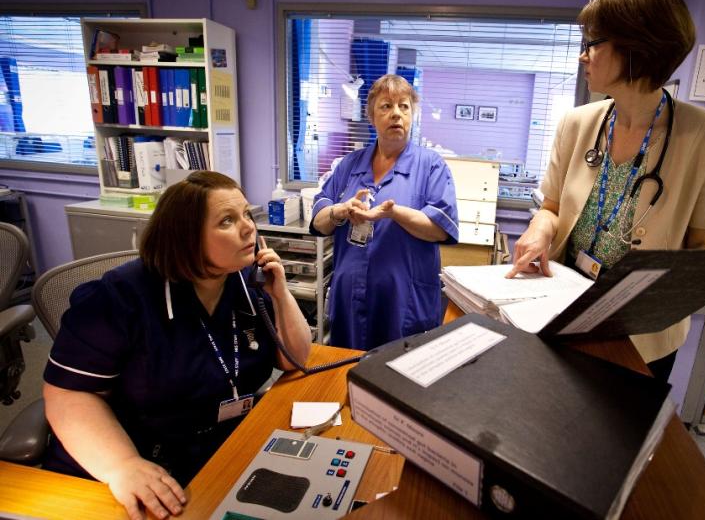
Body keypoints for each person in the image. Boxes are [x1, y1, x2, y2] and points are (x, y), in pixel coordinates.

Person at [42, 171, 311, 520]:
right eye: (227, 221)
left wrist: (281, 294)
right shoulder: (118, 298)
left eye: (246, 214)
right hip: (137, 463)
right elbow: (68, 393)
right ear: (186, 237)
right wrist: (122, 465)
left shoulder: (245, 281)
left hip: (215, 449)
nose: (249, 228)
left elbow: (295, 359)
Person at [507, 0, 705, 381]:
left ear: (636, 47)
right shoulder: (576, 123)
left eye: (593, 43)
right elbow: (551, 207)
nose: (583, 55)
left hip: (642, 337)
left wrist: (663, 288)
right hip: (562, 309)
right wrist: (539, 229)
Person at [310, 74, 459, 350]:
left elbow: (441, 229)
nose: (396, 114)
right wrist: (338, 211)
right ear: (371, 116)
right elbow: (319, 222)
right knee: (347, 366)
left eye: (404, 106)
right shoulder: (348, 165)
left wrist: (393, 213)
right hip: (350, 296)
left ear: (412, 115)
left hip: (403, 299)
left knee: (400, 369)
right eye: (386, 106)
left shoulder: (431, 166)